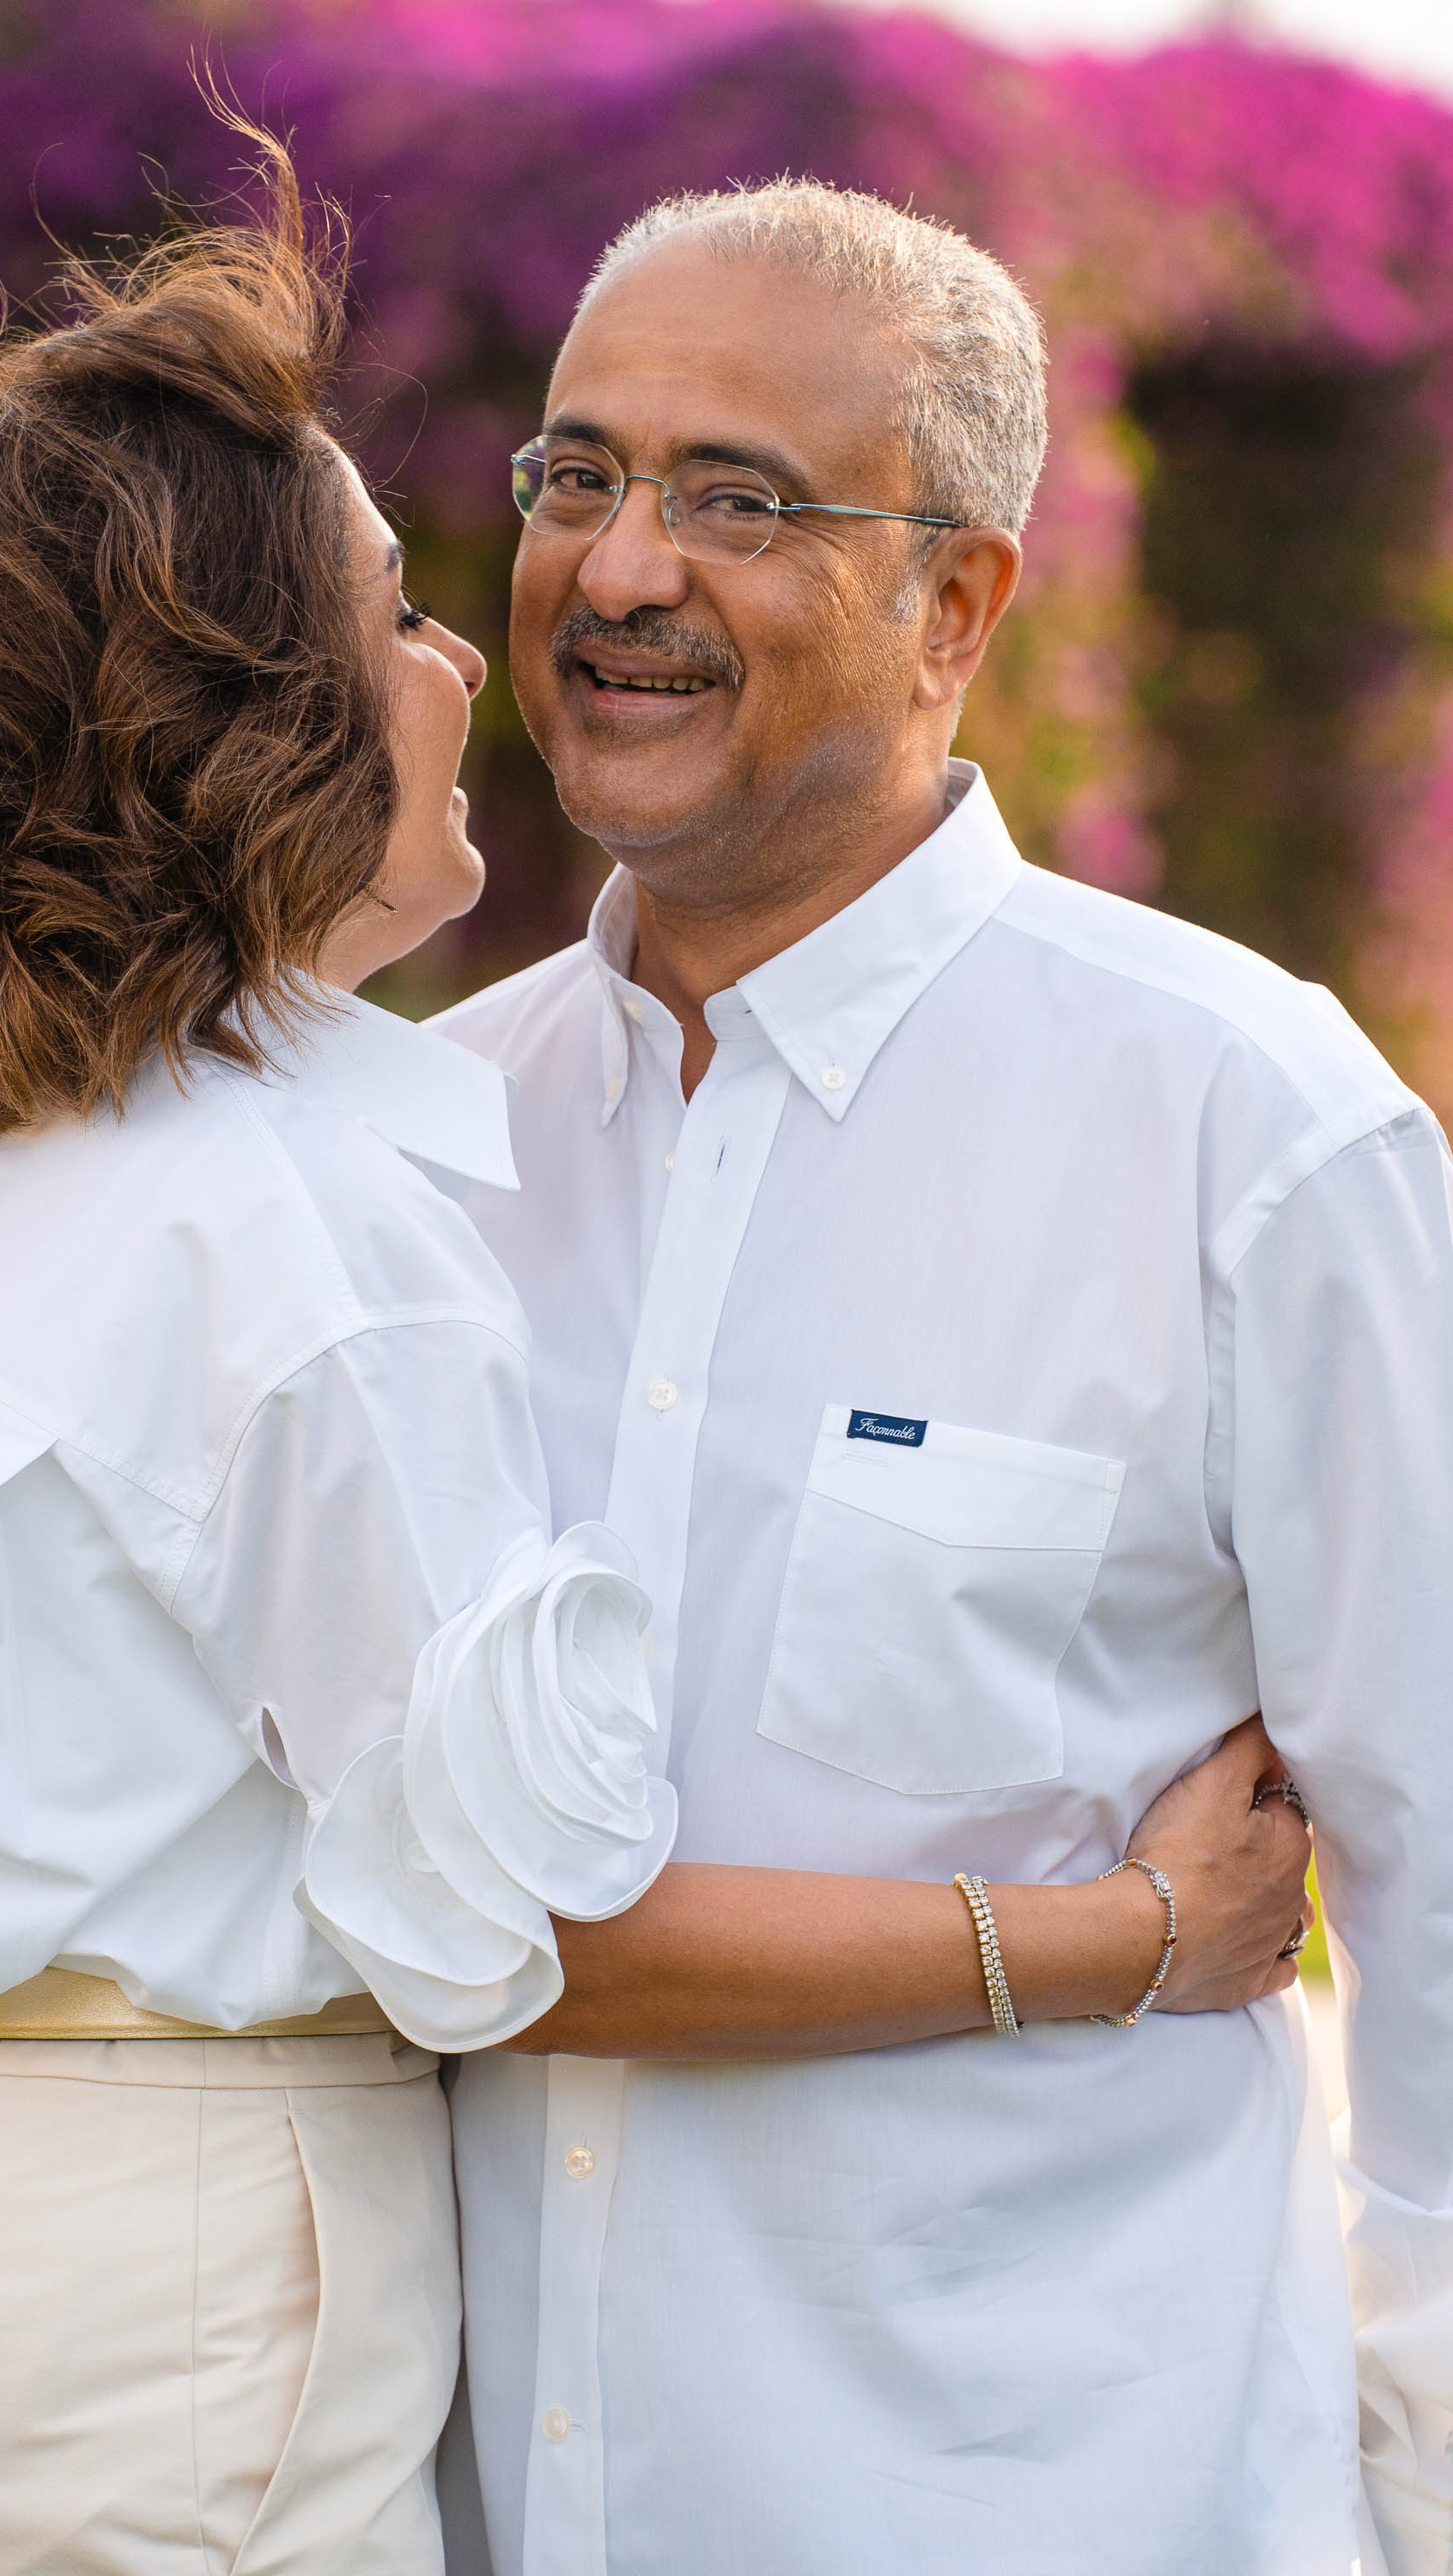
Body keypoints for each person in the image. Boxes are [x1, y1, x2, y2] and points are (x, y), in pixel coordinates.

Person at [0, 153, 1315, 2576]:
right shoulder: (350, 1211)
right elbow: (505, 1925)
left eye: (737, 497)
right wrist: (1115, 1937)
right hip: (175, 2368)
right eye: (438, 584)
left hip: (984, 2480)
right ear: (228, 738)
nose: (515, 624)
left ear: (954, 605)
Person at [410, 185, 1450, 2576]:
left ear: (959, 605)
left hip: (1058, 2508)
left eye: (736, 500)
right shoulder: (415, 1158)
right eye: (577, 477)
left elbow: (1440, 1889)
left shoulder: (1243, 1130)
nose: (623, 567)